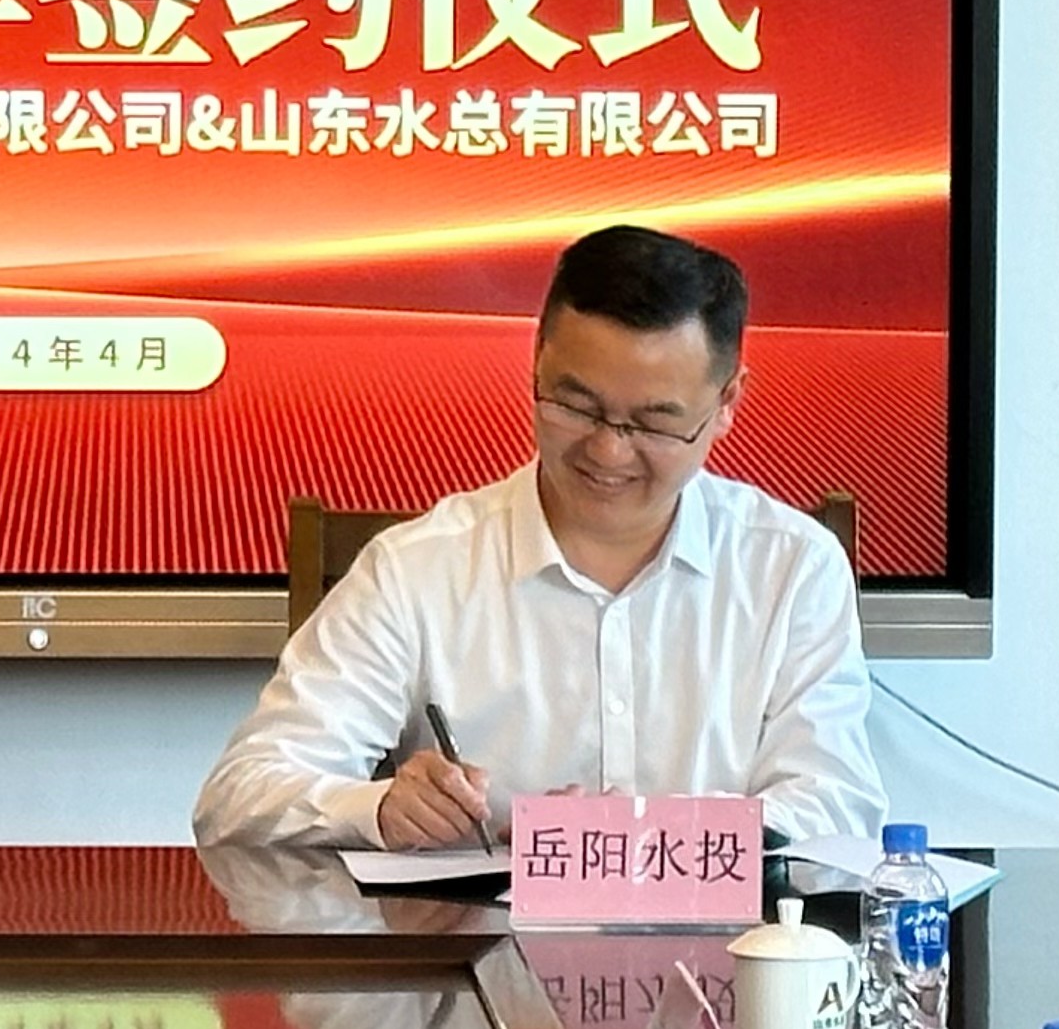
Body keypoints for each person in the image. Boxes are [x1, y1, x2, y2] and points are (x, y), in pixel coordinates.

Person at [192, 223, 881, 850]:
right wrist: (375, 808)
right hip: (476, 948)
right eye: (575, 407)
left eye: (653, 424)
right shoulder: (418, 569)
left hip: (725, 950)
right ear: (536, 362)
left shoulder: (790, 567)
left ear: (727, 401)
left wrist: (624, 837)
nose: (608, 452)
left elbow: (836, 808)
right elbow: (239, 795)